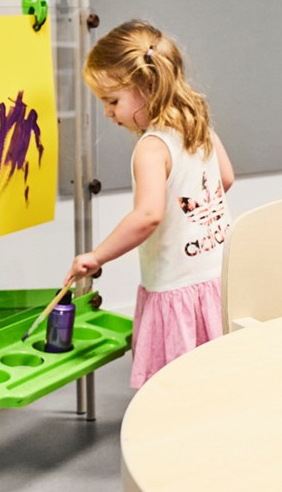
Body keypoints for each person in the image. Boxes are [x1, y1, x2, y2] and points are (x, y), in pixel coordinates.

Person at [64, 20, 234, 387]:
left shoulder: (152, 147)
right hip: (217, 278)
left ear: (147, 86)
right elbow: (225, 178)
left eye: (113, 101)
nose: (108, 113)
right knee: (215, 379)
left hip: (175, 290)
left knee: (174, 389)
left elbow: (147, 216)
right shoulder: (198, 125)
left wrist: (96, 256)